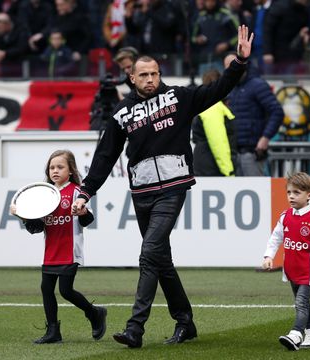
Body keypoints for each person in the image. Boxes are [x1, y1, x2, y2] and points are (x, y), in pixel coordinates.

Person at [72, 25, 254, 348]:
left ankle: (135, 328)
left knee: (149, 252)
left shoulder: (180, 97)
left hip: (173, 187)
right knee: (161, 261)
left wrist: (239, 63)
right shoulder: (122, 113)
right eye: (143, 75)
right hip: (141, 193)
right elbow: (104, 156)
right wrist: (86, 191)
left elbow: (218, 89)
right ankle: (185, 322)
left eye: (154, 73)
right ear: (132, 77)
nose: (150, 80)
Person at [9, 150, 107, 344]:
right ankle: (53, 331)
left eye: (60, 167)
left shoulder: (77, 192)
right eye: (52, 167)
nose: (55, 171)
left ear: (70, 170)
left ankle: (94, 313)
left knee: (65, 290)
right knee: (46, 288)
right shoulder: (45, 194)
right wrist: (22, 215)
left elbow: (89, 219)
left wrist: (83, 211)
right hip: (51, 251)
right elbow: (36, 228)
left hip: (70, 250)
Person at [262, 172, 310, 351]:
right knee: (302, 301)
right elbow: (275, 238)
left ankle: (295, 334)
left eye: (296, 193)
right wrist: (268, 256)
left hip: (308, 270)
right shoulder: (285, 216)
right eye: (289, 193)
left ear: (309, 195)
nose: (291, 196)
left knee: (301, 302)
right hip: (291, 270)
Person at [223, 52, 284, 176]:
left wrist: (265, 138)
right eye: (227, 67)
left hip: (252, 153)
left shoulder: (258, 85)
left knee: (258, 192)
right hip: (232, 153)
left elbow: (277, 112)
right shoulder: (229, 87)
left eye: (232, 66)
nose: (229, 70)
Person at [192, 68, 237, 176]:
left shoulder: (206, 104)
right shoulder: (213, 107)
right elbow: (218, 142)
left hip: (205, 164)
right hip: (213, 168)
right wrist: (228, 171)